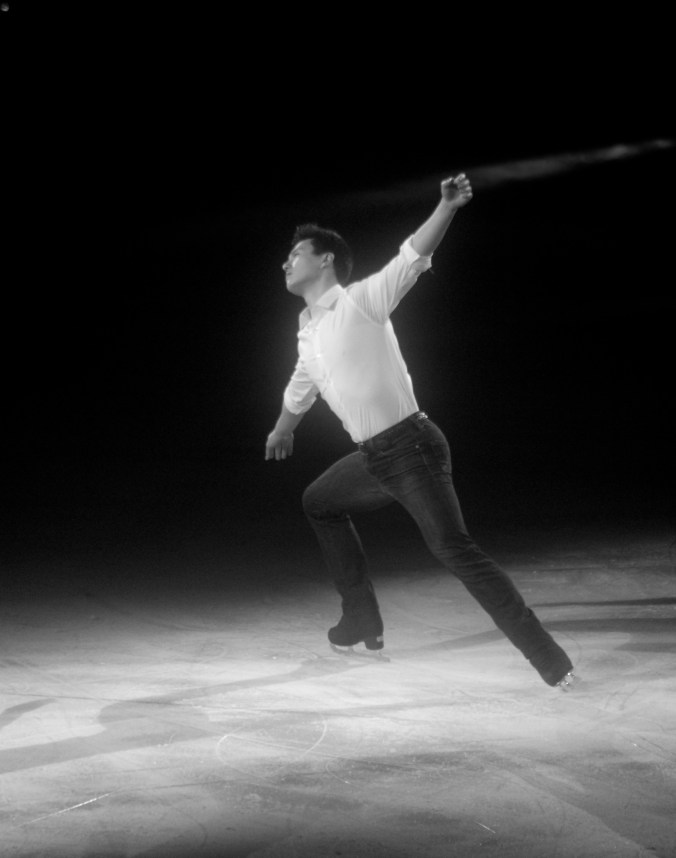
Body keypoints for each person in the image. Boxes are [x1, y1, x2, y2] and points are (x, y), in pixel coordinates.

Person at [265, 173, 577, 690]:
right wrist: (281, 430)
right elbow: (301, 387)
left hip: (412, 448)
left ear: (325, 260)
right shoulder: (308, 331)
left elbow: (411, 257)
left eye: (296, 254)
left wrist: (447, 206)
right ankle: (361, 619)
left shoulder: (361, 301)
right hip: (374, 458)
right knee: (319, 501)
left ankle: (550, 660)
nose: (285, 262)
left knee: (455, 550)